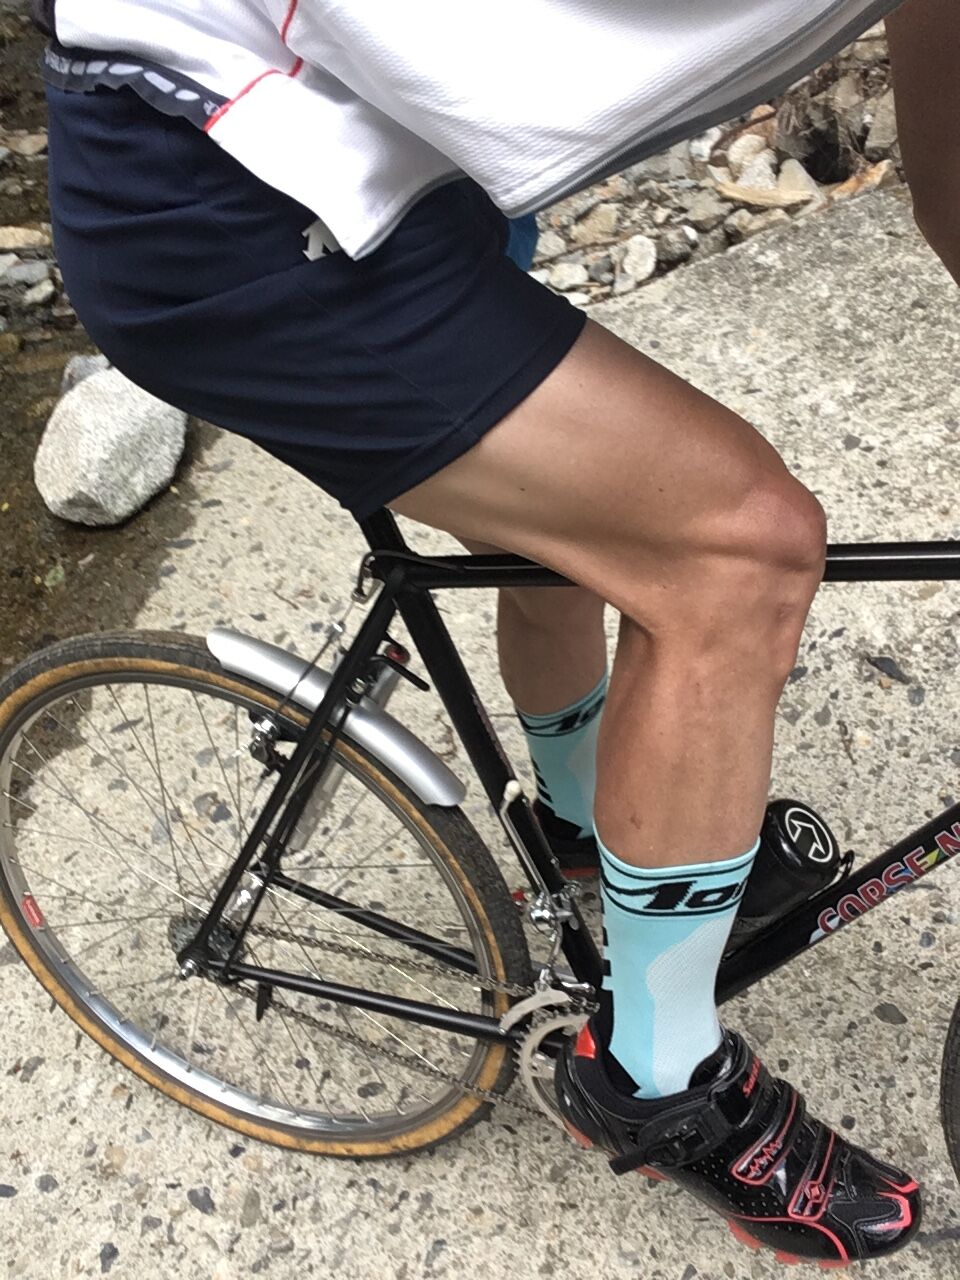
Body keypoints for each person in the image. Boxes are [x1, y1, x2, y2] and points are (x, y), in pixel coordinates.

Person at [34, 0, 953, 1263]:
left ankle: (581, 832)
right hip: (234, 198)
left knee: (580, 530)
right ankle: (655, 1075)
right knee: (741, 550)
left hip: (373, 149)